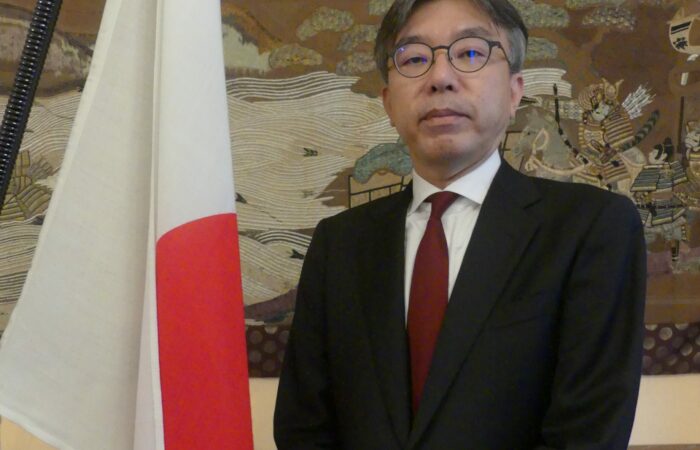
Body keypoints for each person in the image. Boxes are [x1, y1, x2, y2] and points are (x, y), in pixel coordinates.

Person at [274, 0, 646, 448]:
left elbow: (588, 434)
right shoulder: (340, 244)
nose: (440, 77)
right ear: (388, 102)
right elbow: (304, 428)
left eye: (470, 53)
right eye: (414, 58)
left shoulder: (590, 228)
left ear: (514, 92)